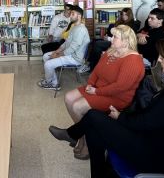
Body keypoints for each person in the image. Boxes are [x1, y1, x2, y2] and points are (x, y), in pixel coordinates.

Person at [49, 37, 164, 176]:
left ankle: (73, 135)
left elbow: (146, 123)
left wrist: (120, 117)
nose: (158, 60)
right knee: (93, 125)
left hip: (154, 155)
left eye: (163, 58)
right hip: (155, 143)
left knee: (93, 116)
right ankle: (91, 161)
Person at [49, 25, 145, 158]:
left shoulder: (133, 60)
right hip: (99, 89)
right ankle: (80, 136)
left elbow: (120, 87)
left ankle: (87, 143)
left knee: (77, 106)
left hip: (117, 97)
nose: (111, 39)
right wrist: (90, 85)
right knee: (69, 97)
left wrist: (96, 92)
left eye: (115, 37)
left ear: (126, 41)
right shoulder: (112, 51)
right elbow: (96, 71)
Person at [38, 5, 90, 90]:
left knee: (48, 64)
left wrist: (58, 55)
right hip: (69, 54)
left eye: (73, 14)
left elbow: (73, 48)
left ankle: (50, 83)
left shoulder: (81, 29)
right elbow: (66, 43)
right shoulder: (74, 27)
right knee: (45, 56)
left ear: (79, 16)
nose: (70, 15)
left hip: (75, 58)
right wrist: (56, 52)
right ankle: (54, 82)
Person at [87, 7, 139, 72]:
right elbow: (111, 33)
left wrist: (109, 39)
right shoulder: (119, 22)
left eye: (126, 15)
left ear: (129, 15)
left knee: (97, 44)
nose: (123, 16)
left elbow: (124, 38)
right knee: (93, 41)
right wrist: (106, 36)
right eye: (122, 14)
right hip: (112, 39)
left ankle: (93, 67)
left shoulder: (132, 24)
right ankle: (90, 64)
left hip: (119, 43)